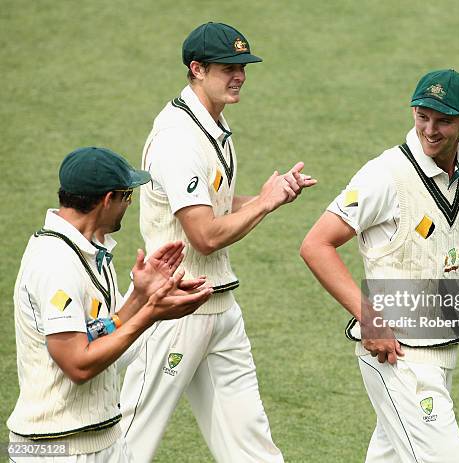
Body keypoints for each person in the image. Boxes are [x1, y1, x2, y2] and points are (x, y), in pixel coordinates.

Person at [119, 22, 315, 462]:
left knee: (252, 445)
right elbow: (204, 235)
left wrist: (273, 195)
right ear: (197, 69)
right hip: (174, 310)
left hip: (220, 307)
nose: (239, 75)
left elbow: (217, 205)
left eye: (243, 66)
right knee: (130, 440)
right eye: (228, 67)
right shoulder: (178, 140)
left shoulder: (212, 124)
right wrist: (262, 205)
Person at [300, 69, 459, 462]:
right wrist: (370, 318)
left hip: (442, 348)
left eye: (444, 120)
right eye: (422, 116)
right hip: (398, 356)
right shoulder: (385, 176)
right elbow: (316, 244)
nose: (430, 129)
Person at [7, 146, 213, 462]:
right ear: (107, 200)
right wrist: (150, 314)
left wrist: (141, 297)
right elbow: (78, 363)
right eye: (126, 197)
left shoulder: (90, 251)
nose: (128, 206)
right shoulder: (55, 264)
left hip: (102, 440)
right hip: (56, 449)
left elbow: (99, 333)